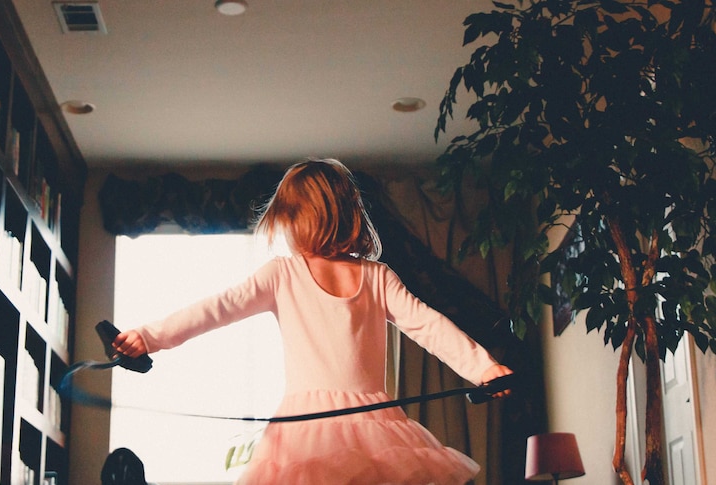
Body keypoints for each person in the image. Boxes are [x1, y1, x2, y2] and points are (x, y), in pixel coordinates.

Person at [112, 158, 513, 485]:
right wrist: (483, 367)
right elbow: (431, 326)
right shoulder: (373, 276)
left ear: (299, 218)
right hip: (377, 427)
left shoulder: (291, 274)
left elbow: (216, 309)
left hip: (306, 429)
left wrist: (148, 337)